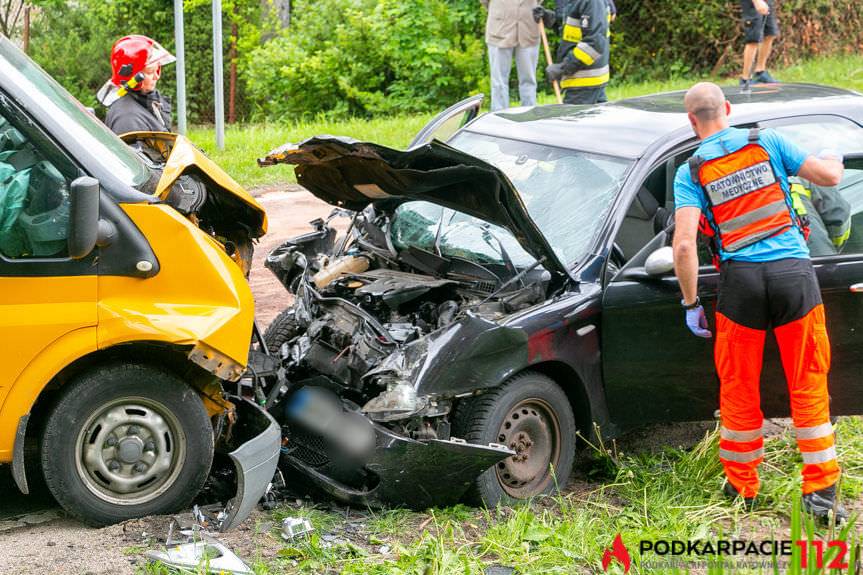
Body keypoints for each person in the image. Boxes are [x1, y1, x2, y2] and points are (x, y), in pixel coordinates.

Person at [672, 82, 847, 523]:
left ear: (692, 121)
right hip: (794, 277)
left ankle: (741, 487)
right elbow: (828, 178)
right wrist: (835, 156)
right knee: (808, 379)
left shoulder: (691, 170)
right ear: (727, 109)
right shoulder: (765, 141)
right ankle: (822, 495)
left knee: (738, 384)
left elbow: (685, 247)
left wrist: (691, 302)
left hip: (740, 286)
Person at [99, 35, 175, 135]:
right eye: (151, 71)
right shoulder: (128, 120)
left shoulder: (147, 101)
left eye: (158, 69)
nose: (156, 77)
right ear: (133, 78)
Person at [538, 0, 609, 104]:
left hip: (584, 82)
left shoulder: (591, 2)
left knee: (573, 119)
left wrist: (563, 68)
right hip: (587, 81)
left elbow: (594, 44)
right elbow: (574, 30)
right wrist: (551, 19)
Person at [481, 0, 542, 112]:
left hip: (529, 28)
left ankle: (529, 114)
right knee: (499, 81)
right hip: (499, 28)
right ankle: (500, 116)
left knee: (529, 79)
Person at [789, 177, 852, 256]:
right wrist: (828, 247)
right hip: (819, 258)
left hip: (775, 262)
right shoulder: (803, 173)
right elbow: (839, 213)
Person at [740, 0, 780, 92]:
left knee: (770, 34)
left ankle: (760, 72)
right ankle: (745, 79)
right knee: (753, 40)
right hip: (752, 3)